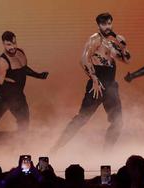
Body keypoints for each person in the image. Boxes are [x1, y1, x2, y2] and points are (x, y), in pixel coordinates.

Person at [52, 12, 130, 151]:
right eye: (104, 24)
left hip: (111, 86)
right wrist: (94, 79)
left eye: (109, 23)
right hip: (97, 85)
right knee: (82, 118)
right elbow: (83, 60)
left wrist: (123, 48)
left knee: (118, 122)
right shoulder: (95, 39)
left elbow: (126, 60)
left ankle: (106, 154)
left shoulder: (112, 43)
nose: (107, 27)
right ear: (98, 25)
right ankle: (56, 148)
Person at [0, 31, 48, 133]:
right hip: (4, 95)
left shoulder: (20, 53)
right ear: (4, 44)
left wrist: (38, 75)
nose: (12, 47)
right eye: (9, 44)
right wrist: (9, 102)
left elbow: (24, 69)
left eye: (14, 43)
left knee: (24, 121)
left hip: (18, 94)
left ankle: (19, 144)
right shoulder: (2, 61)